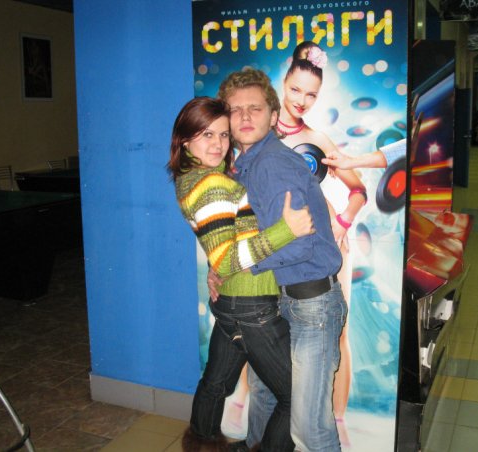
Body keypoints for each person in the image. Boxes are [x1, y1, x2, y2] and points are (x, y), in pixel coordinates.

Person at [168, 97, 315, 452]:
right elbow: (227, 258)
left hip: (233, 303)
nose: (218, 144)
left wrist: (215, 268)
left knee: (216, 382)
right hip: (251, 307)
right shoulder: (211, 184)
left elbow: (219, 248)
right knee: (296, 397)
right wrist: (287, 230)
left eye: (223, 135)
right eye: (206, 134)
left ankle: (202, 445)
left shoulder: (191, 178)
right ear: (185, 140)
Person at [217, 68, 348, 452]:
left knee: (309, 428)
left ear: (273, 116)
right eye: (235, 109)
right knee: (265, 394)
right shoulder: (246, 165)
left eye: (255, 108)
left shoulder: (272, 164)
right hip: (280, 301)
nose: (244, 117)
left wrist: (237, 265)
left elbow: (296, 247)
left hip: (310, 305)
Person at [277, 41, 367, 445]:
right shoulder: (257, 132)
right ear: (283, 83)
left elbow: (358, 190)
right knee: (268, 332)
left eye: (311, 94)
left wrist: (343, 222)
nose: (301, 100)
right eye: (296, 89)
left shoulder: (318, 138)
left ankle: (335, 421)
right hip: (277, 251)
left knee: (335, 334)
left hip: (325, 251)